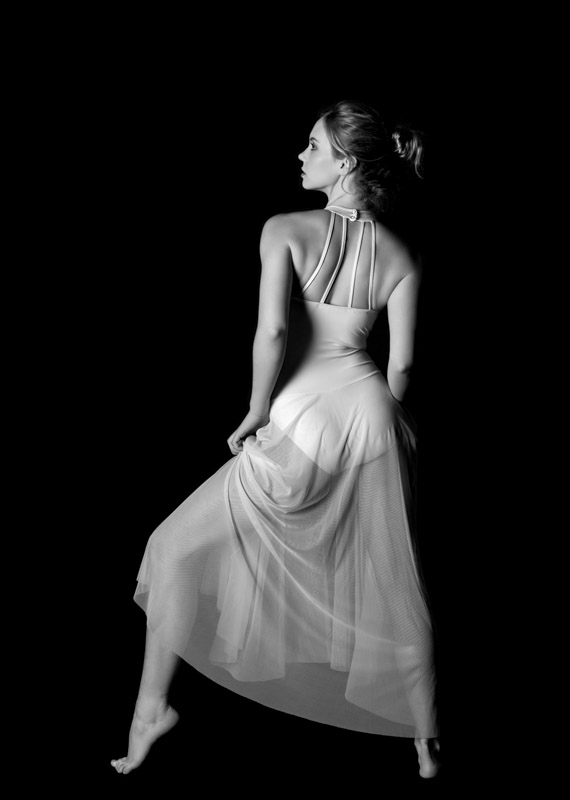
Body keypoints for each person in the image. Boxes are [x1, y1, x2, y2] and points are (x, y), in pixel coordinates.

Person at [111, 100, 440, 779]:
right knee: (397, 584)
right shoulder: (405, 252)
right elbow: (404, 364)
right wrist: (384, 424)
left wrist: (256, 410)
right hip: (373, 414)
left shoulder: (285, 228)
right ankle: (426, 740)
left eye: (312, 145)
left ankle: (151, 711)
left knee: (171, 550)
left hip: (304, 418)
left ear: (344, 162)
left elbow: (274, 331)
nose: (300, 154)